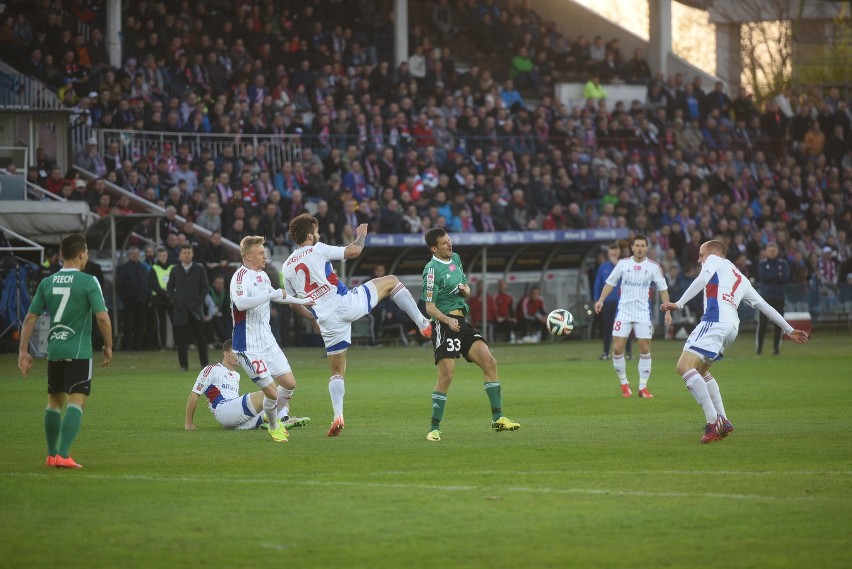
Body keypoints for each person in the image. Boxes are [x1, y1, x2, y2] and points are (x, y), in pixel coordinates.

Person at [282, 214, 432, 437]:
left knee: (336, 372)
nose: (319, 234)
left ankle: (338, 416)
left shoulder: (286, 266)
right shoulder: (318, 249)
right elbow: (353, 252)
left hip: (326, 319)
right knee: (391, 281)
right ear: (311, 234)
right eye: (317, 230)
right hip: (345, 304)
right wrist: (361, 236)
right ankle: (422, 323)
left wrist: (312, 318)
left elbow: (293, 304)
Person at [661, 240, 809, 443]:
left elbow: (703, 279)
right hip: (731, 328)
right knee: (702, 372)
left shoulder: (714, 260)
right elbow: (764, 305)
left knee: (683, 367)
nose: (699, 259)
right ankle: (723, 419)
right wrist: (788, 329)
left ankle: (713, 422)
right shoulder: (741, 277)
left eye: (701, 254)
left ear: (713, 253)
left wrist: (678, 304)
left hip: (714, 320)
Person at [17, 233, 113, 468]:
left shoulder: (47, 282)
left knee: (53, 402)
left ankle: (51, 455)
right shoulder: (89, 281)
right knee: (76, 402)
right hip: (79, 351)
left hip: (55, 350)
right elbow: (102, 316)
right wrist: (108, 345)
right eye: (87, 252)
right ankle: (63, 454)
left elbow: (30, 318)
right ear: (82, 254)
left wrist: (23, 351)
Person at [421, 227, 520, 442]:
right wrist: (447, 320)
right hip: (444, 325)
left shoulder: (455, 258)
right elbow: (429, 307)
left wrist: (466, 290)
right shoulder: (431, 270)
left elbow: (464, 286)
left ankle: (498, 419)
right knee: (446, 376)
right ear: (434, 248)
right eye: (445, 243)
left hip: (461, 323)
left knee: (490, 362)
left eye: (449, 240)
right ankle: (434, 428)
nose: (450, 244)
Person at [231, 235, 314, 442]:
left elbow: (277, 295)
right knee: (271, 393)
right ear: (249, 256)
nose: (265, 256)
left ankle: (266, 418)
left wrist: (303, 300)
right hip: (248, 345)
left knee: (289, 383)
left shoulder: (263, 276)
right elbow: (240, 303)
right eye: (261, 253)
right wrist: (269, 296)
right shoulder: (239, 277)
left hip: (268, 341)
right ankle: (274, 425)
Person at [594, 235, 671, 398]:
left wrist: (668, 310)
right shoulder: (623, 264)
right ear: (632, 247)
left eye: (643, 245)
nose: (640, 248)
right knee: (617, 348)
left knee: (644, 348)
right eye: (637, 245)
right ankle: (624, 383)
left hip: (643, 313)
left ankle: (643, 387)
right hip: (623, 312)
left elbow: (662, 289)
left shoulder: (653, 267)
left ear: (647, 248)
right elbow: (610, 283)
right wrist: (601, 299)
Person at [184, 340, 294, 431]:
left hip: (236, 416)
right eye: (236, 352)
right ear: (226, 354)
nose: (240, 356)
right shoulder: (212, 369)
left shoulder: (236, 375)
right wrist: (188, 424)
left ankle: (280, 419)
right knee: (270, 394)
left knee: (282, 401)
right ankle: (279, 420)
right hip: (224, 409)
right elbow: (194, 395)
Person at [167, 244, 209, 372]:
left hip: (196, 309)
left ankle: (205, 365)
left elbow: (205, 287)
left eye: (189, 252)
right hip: (180, 310)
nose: (186, 255)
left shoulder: (200, 269)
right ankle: (183, 365)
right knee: (181, 340)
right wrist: (175, 299)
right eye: (184, 252)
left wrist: (199, 301)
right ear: (180, 254)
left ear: (192, 254)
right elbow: (170, 287)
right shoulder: (175, 270)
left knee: (201, 338)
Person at [593, 243, 631, 360]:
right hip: (608, 302)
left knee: (625, 327)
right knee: (608, 327)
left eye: (615, 253)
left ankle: (629, 353)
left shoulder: (625, 265)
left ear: (619, 253)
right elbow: (598, 284)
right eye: (611, 253)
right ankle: (606, 353)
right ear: (608, 254)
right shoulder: (603, 267)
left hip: (623, 302)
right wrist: (597, 299)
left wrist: (617, 265)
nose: (613, 255)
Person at [756, 242, 790, 355]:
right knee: (763, 324)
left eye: (774, 251)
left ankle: (776, 348)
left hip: (779, 297)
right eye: (770, 251)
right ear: (766, 252)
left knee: (778, 323)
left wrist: (772, 275)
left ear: (777, 251)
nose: (772, 253)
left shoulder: (783, 263)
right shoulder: (762, 264)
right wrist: (777, 275)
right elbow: (763, 277)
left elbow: (785, 277)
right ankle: (759, 348)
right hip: (765, 299)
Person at [149, 247, 173, 350]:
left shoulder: (172, 267)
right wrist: (165, 293)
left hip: (171, 299)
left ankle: (176, 344)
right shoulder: (154, 268)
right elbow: (154, 285)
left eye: (165, 255)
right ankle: (162, 344)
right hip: (159, 299)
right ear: (158, 256)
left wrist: (170, 293)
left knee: (175, 322)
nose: (163, 257)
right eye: (161, 255)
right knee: (161, 323)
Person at [493, 278, 517, 342]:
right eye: (500, 285)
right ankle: (493, 342)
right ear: (497, 286)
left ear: (506, 286)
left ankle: (509, 341)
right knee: (493, 326)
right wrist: (497, 317)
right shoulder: (495, 297)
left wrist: (514, 318)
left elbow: (512, 309)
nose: (502, 286)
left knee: (510, 324)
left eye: (503, 285)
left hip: (507, 319)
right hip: (498, 320)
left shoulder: (509, 296)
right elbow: (494, 309)